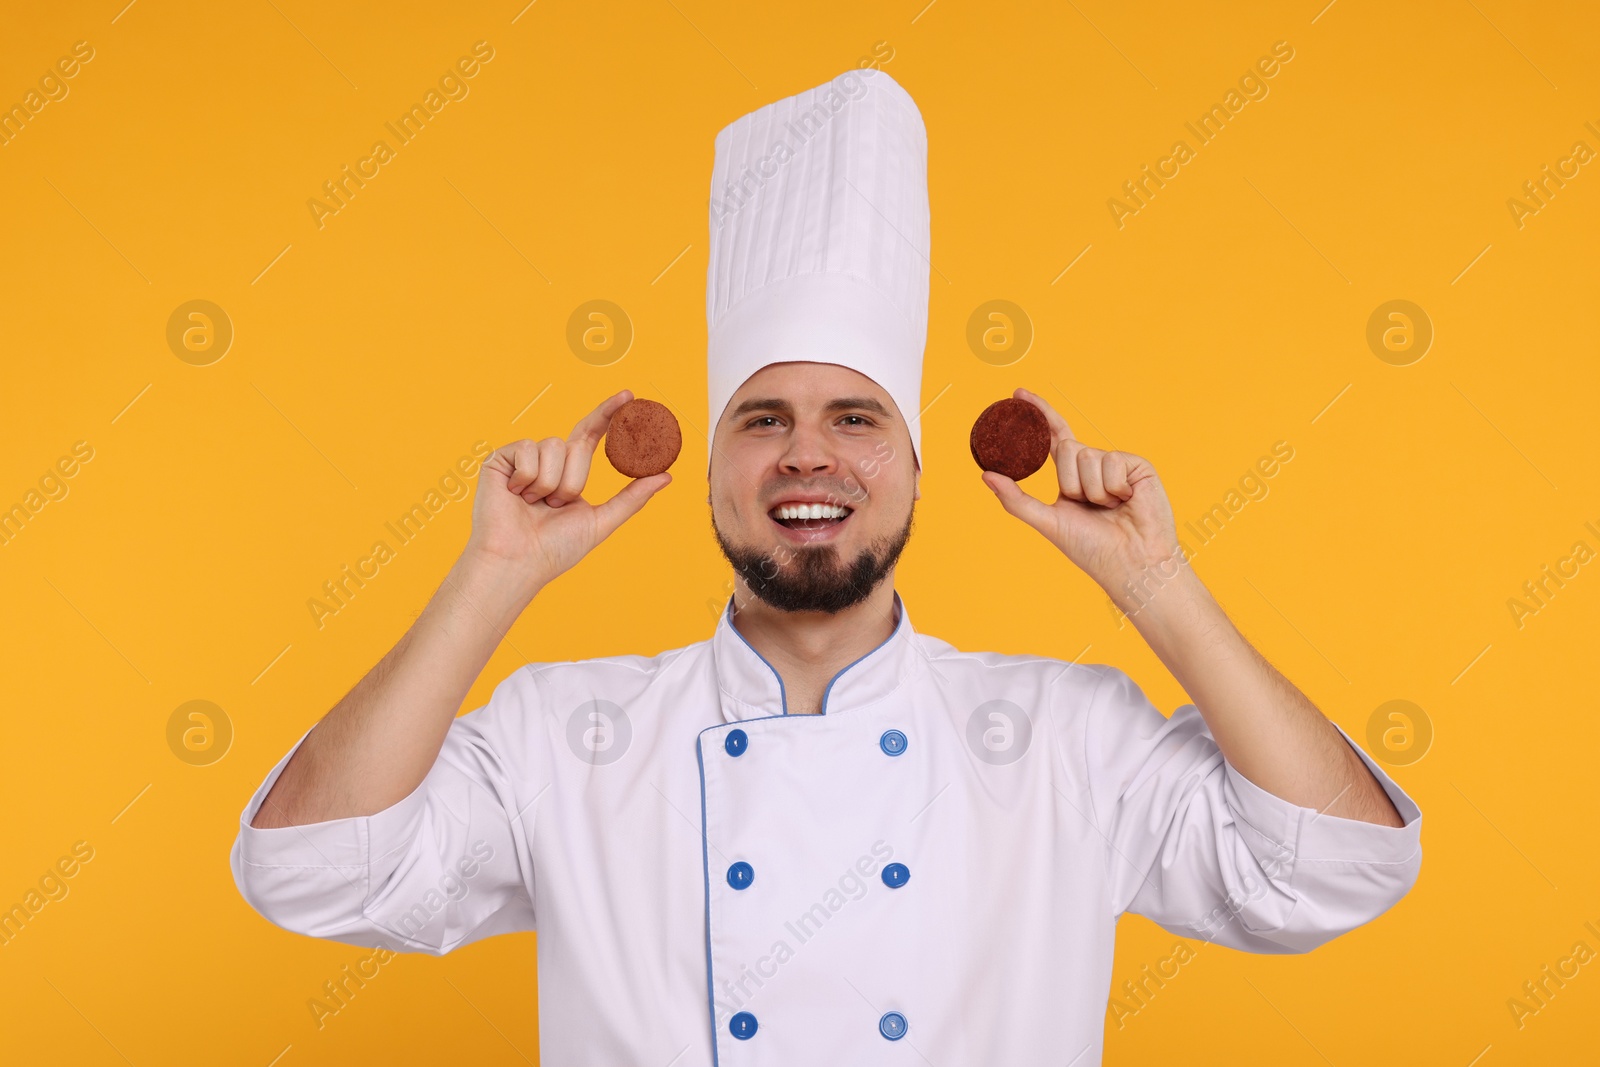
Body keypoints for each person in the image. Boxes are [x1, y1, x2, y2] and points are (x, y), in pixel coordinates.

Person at [231, 68, 1421, 1064]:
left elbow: (1336, 867)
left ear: (912, 462)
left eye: (855, 417)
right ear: (707, 466)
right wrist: (493, 572)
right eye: (762, 418)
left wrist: (1158, 587)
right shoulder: (564, 733)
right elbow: (314, 870)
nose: (809, 455)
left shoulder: (1064, 734)